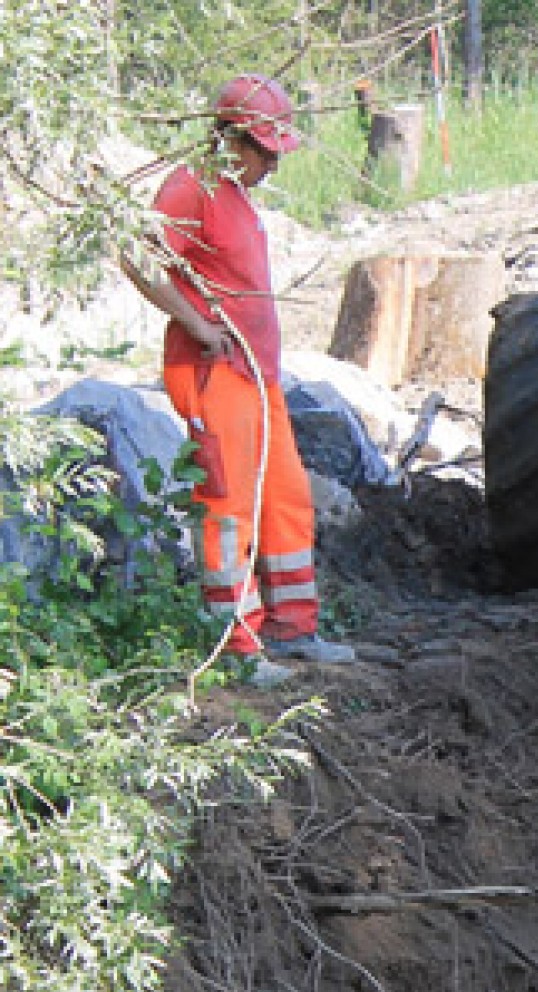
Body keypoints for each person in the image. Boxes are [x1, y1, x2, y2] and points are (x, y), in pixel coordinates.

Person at [123, 75, 354, 669]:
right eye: (265, 151)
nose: (272, 165)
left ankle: (292, 628)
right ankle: (236, 645)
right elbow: (136, 252)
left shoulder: (236, 194)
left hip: (259, 375)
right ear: (229, 138)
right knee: (228, 508)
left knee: (285, 498)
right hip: (216, 373)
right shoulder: (190, 188)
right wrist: (196, 324)